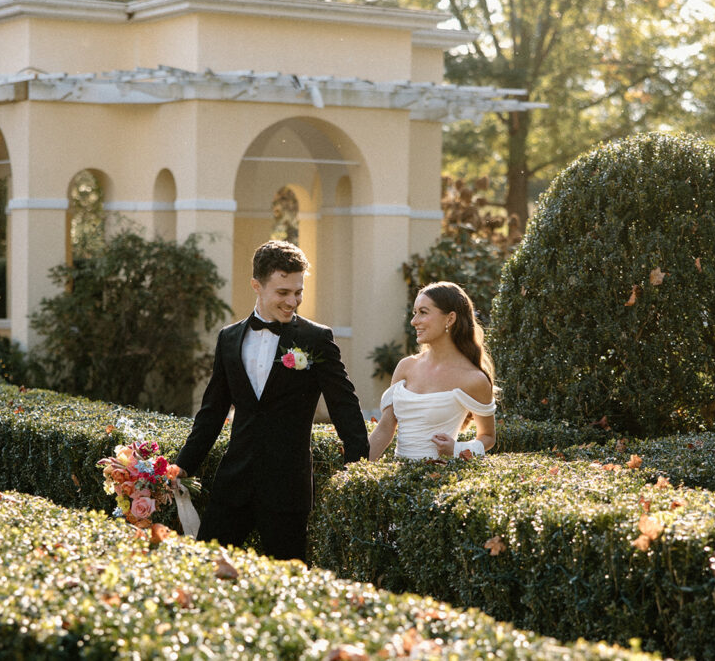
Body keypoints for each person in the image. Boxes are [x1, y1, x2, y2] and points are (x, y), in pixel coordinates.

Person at [174, 240, 369, 561]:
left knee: (289, 581)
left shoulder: (315, 339)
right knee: (205, 568)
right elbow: (212, 411)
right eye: (283, 292)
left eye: (298, 292)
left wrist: (357, 468)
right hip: (233, 483)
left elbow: (344, 405)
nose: (292, 301)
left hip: (287, 487)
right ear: (257, 286)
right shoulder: (229, 338)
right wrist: (182, 465)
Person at [368, 281, 497, 462]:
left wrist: (457, 448)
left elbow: (488, 437)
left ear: (450, 319)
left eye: (423, 312)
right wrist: (353, 472)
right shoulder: (406, 367)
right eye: (415, 313)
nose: (414, 321)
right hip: (396, 482)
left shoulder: (474, 379)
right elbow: (384, 429)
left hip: (437, 483)